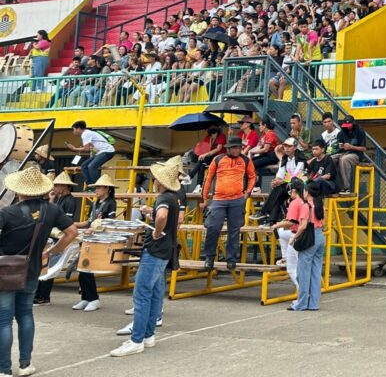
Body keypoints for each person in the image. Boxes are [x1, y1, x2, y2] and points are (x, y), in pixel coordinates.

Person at [0, 167, 77, 377]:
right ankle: (26, 364)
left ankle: (4, 369)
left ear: (18, 190)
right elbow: (72, 232)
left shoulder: (7, 213)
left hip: (6, 271)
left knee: (4, 320)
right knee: (25, 314)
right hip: (32, 269)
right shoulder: (52, 209)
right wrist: (53, 251)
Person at [109, 157, 182, 358]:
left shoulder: (164, 199)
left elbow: (161, 217)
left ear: (159, 181)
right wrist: (153, 216)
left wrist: (157, 232)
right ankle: (148, 335)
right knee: (155, 292)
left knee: (142, 294)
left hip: (156, 250)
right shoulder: (173, 197)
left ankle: (137, 340)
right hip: (166, 250)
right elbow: (165, 217)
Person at [200, 137, 256, 270]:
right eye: (234, 147)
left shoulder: (246, 160)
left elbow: (253, 176)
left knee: (234, 231)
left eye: (238, 147)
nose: (237, 150)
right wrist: (205, 199)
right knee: (213, 228)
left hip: (237, 199)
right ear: (228, 148)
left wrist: (247, 193)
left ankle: (231, 259)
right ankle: (209, 257)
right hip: (219, 199)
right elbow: (208, 179)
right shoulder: (218, 159)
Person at [72, 173, 118, 312]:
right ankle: (85, 298)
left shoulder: (111, 203)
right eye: (96, 188)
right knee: (82, 268)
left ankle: (94, 299)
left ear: (107, 189)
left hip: (98, 240)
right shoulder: (95, 203)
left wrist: (93, 229)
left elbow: (110, 223)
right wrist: (74, 225)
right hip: (88, 238)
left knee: (87, 269)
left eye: (99, 188)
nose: (96, 190)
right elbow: (89, 222)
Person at [32, 171, 79, 307]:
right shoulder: (58, 198)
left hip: (59, 235)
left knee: (49, 266)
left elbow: (67, 221)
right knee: (45, 266)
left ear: (64, 186)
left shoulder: (69, 200)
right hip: (54, 234)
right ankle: (40, 295)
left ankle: (43, 296)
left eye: (57, 186)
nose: (54, 188)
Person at [291, 179, 328, 312]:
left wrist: (294, 238)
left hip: (309, 237)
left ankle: (301, 304)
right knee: (315, 272)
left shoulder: (306, 206)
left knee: (303, 273)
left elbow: (303, 226)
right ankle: (313, 303)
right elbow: (324, 224)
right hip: (319, 237)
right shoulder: (320, 205)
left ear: (307, 192)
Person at [253, 138, 306, 224]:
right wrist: (275, 181)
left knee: (279, 188)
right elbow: (280, 174)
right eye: (285, 146)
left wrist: (280, 182)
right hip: (288, 186)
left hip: (300, 186)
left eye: (289, 146)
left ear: (295, 147)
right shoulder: (284, 159)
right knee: (278, 192)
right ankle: (271, 220)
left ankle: (264, 212)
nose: (287, 148)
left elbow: (296, 176)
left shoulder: (300, 159)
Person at [269, 178, 306, 289]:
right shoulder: (306, 201)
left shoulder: (295, 202)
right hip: (307, 234)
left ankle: (304, 293)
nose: (289, 193)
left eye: (290, 191)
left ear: (294, 191)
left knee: (295, 268)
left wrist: (275, 225)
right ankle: (307, 292)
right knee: (302, 267)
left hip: (297, 235)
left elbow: (291, 222)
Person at [67, 120, 116, 186]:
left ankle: (97, 185)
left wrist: (74, 149)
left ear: (78, 128)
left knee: (92, 167)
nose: (73, 131)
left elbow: (86, 149)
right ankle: (90, 185)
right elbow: (89, 148)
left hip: (107, 151)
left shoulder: (85, 134)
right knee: (84, 166)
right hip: (101, 152)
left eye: (74, 129)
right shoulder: (88, 133)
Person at [334, 115, 367, 194]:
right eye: (346, 126)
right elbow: (338, 146)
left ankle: (347, 187)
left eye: (349, 125)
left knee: (344, 159)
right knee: (331, 159)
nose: (348, 127)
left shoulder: (360, 131)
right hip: (343, 152)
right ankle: (335, 186)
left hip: (356, 154)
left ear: (353, 123)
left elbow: (363, 148)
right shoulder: (342, 132)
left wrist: (351, 147)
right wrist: (341, 146)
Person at [188, 125, 226, 192]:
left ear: (217, 132)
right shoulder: (208, 137)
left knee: (203, 160)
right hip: (209, 158)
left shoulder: (222, 136)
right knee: (202, 165)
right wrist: (199, 146)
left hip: (220, 157)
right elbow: (204, 148)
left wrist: (205, 154)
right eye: (212, 134)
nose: (213, 136)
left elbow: (218, 149)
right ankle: (199, 186)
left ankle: (190, 176)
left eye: (215, 134)